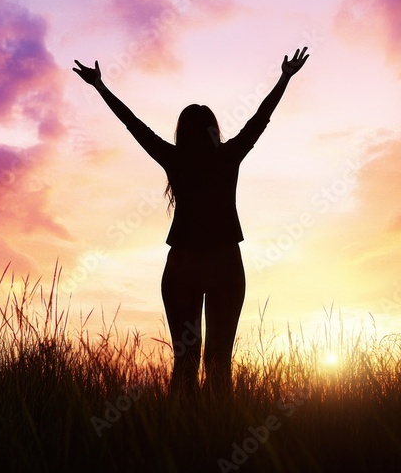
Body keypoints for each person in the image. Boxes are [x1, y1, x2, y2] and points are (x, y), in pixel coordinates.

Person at [72, 47, 310, 397]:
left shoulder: (176, 158)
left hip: (184, 263)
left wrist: (101, 87)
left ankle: (179, 434)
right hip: (224, 262)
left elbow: (133, 125)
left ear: (183, 132)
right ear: (213, 131)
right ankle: (216, 437)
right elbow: (261, 118)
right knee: (218, 362)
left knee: (186, 363)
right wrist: (285, 78)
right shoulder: (227, 156)